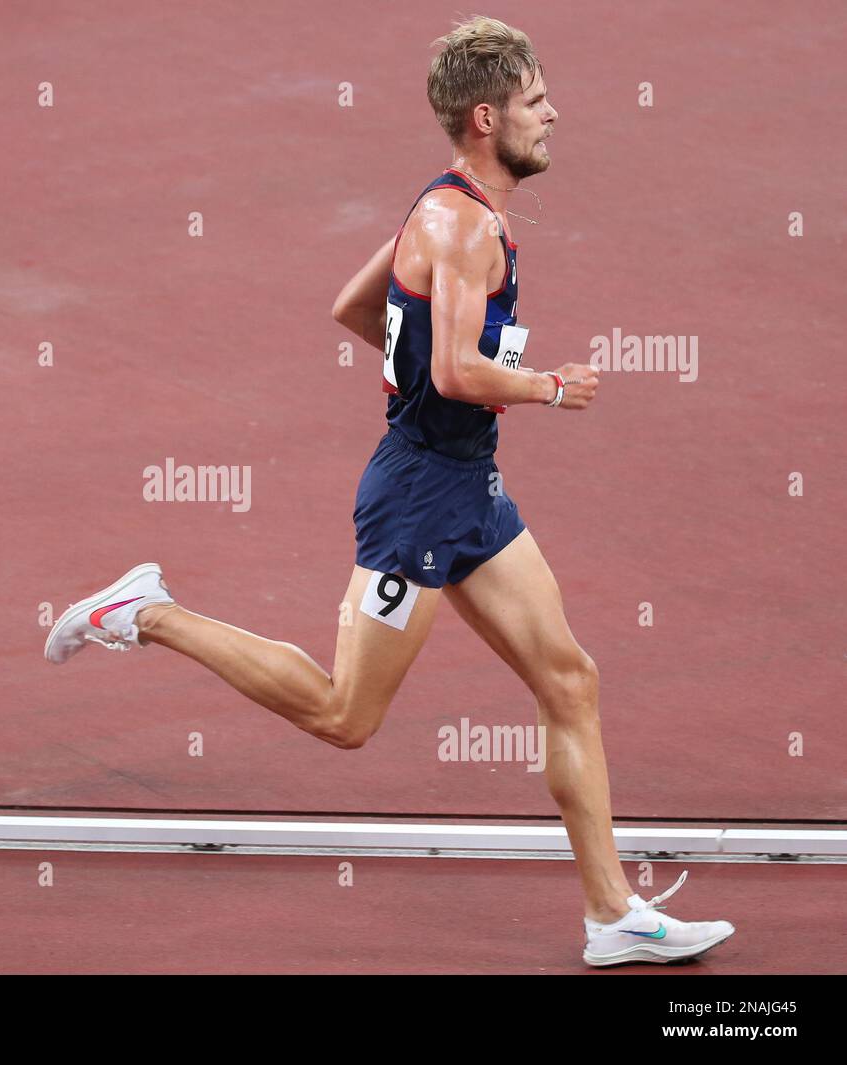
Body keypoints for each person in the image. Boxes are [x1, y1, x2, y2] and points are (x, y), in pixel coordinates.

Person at [44, 15, 734, 968]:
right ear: (487, 117)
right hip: (417, 497)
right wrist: (547, 385)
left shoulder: (444, 208)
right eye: (537, 102)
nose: (553, 115)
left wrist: (436, 390)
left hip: (468, 487)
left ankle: (611, 912)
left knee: (571, 679)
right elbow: (454, 371)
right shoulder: (459, 225)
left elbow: (353, 309)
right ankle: (148, 612)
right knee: (344, 717)